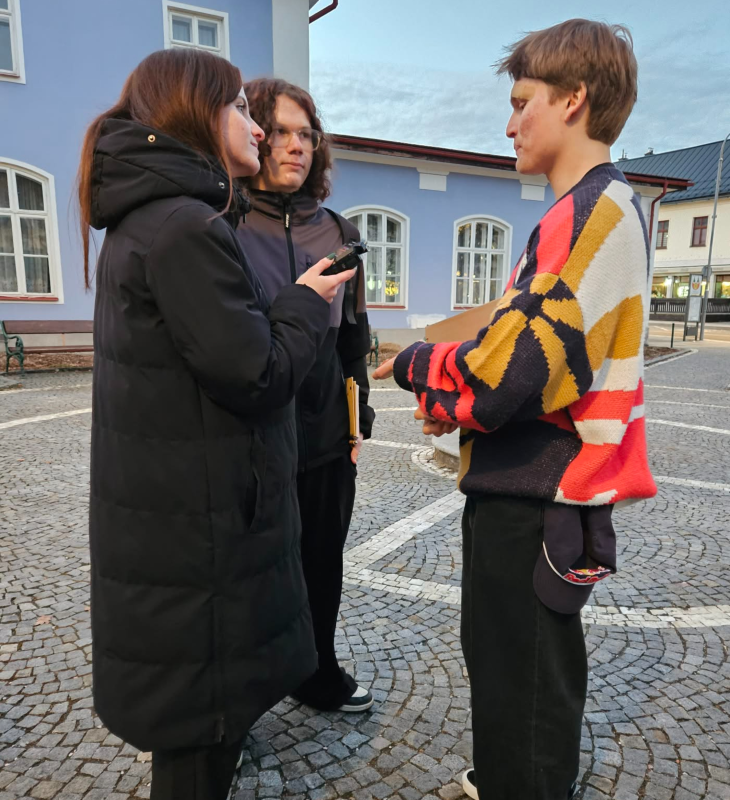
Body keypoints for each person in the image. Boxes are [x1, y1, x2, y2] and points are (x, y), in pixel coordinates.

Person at [373, 19, 657, 800]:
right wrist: (459, 406)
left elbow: (512, 373)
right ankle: (507, 776)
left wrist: (416, 369)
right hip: (533, 480)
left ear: (574, 100)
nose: (509, 123)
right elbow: (534, 359)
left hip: (539, 489)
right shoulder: (598, 208)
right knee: (509, 660)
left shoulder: (592, 212)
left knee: (524, 668)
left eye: (522, 101)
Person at [78, 48, 354, 800]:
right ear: (198, 116)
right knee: (199, 746)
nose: (260, 131)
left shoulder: (150, 220)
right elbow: (258, 373)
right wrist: (301, 301)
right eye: (240, 109)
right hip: (198, 532)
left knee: (205, 733)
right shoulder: (184, 227)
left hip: (178, 510)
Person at [236, 78, 375, 713]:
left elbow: (354, 338)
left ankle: (317, 671)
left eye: (307, 135)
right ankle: (249, 691)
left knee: (323, 562)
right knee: (253, 571)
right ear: (256, 135)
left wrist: (359, 415)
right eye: (283, 132)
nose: (297, 147)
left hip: (323, 437)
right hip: (252, 438)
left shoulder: (338, 230)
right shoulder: (225, 225)